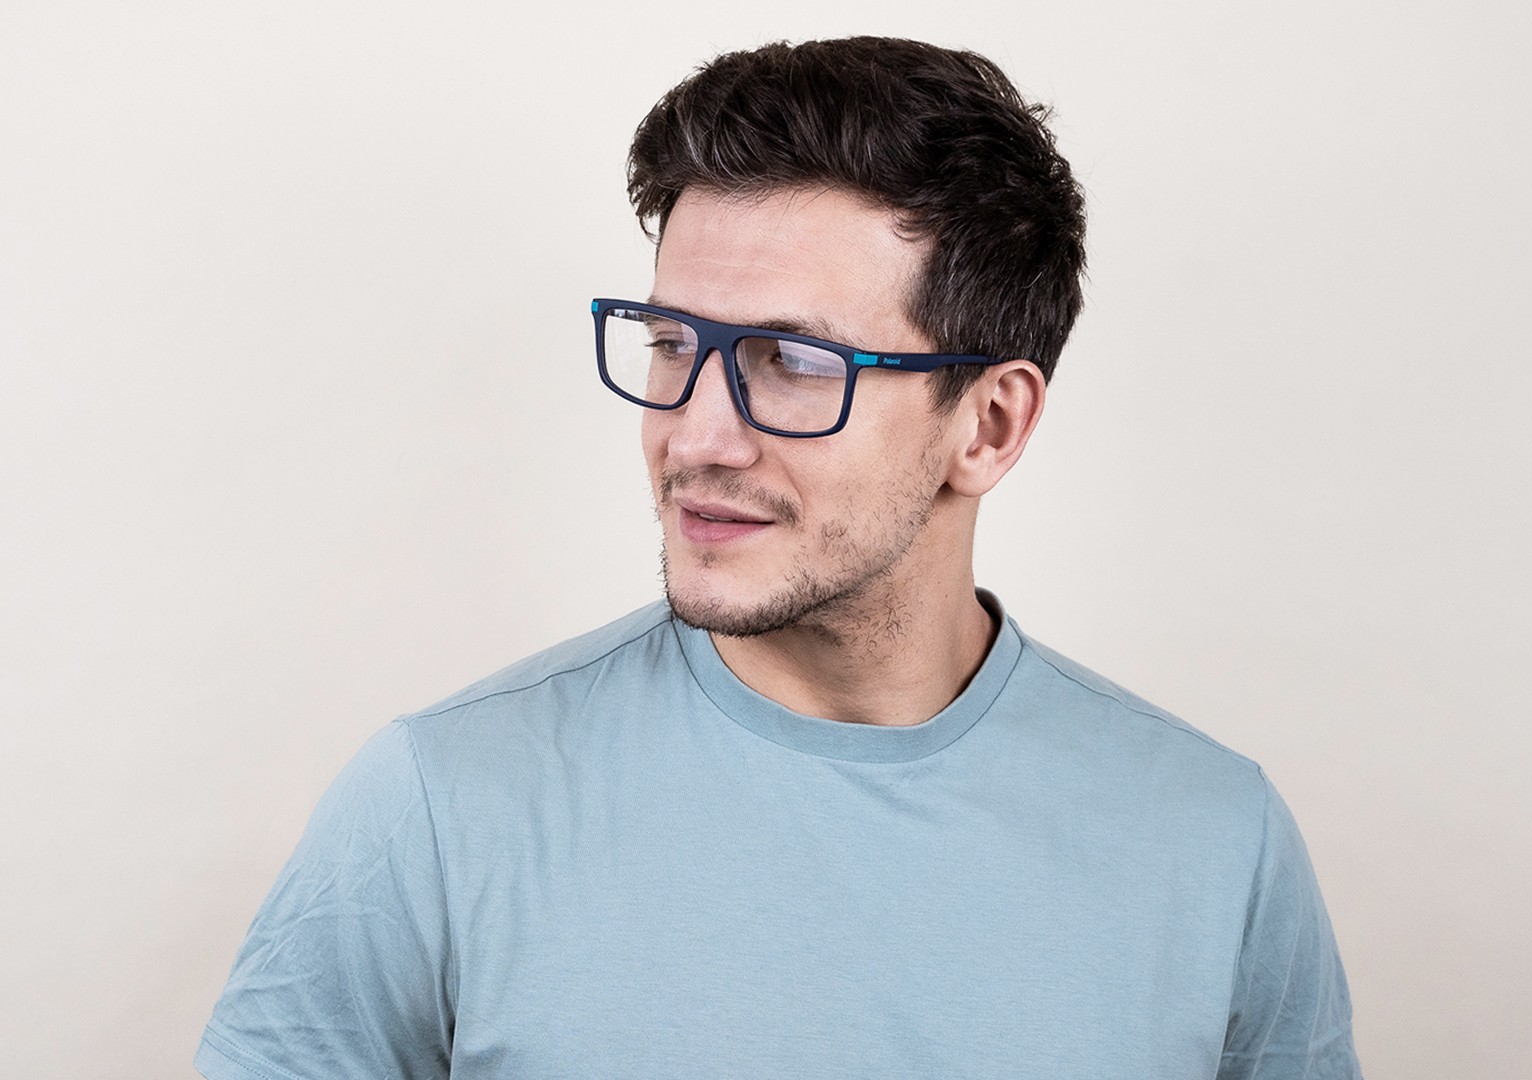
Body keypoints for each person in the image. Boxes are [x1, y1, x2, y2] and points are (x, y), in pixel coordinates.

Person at [197, 36, 1359, 1079]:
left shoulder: (1218, 845)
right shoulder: (440, 804)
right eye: (671, 342)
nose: (697, 437)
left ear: (989, 425)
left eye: (794, 363)